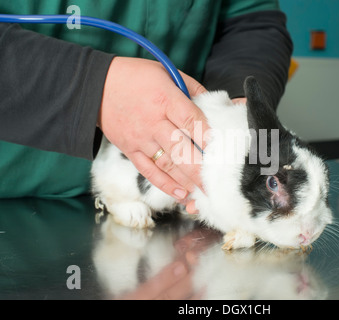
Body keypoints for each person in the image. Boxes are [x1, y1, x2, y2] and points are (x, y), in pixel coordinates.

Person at [0, 0, 293, 213]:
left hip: (172, 210)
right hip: (15, 211)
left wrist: (239, 109)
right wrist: (93, 88)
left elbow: (251, 21)